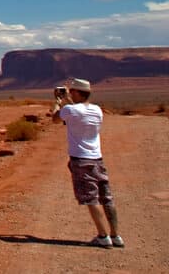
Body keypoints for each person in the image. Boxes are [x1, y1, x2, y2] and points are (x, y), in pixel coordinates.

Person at [51, 78, 124, 249]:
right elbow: (79, 112)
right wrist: (69, 100)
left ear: (77, 92)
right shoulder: (97, 110)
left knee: (91, 199)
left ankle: (103, 236)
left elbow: (55, 119)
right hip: (97, 159)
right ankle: (116, 236)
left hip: (80, 160)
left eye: (72, 91)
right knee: (106, 198)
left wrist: (58, 102)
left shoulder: (69, 110)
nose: (70, 93)